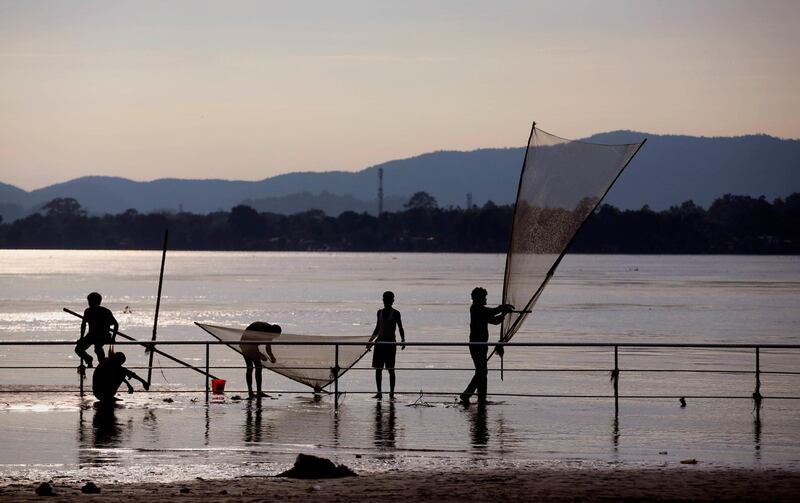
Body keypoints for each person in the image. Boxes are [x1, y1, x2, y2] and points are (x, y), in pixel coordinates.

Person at [459, 287, 513, 406]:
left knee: (482, 372)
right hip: (476, 345)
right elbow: (492, 312)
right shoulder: (476, 309)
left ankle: (481, 398)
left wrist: (503, 313)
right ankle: (467, 394)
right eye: (484, 298)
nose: (485, 300)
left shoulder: (481, 311)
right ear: (478, 299)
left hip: (482, 345)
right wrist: (502, 308)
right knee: (481, 372)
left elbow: (494, 320)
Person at [368, 291, 405, 400]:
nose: (386, 302)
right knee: (378, 369)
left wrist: (403, 340)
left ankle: (391, 393)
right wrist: (370, 342)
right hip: (379, 343)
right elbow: (377, 328)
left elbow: (400, 327)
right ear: (383, 300)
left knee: (390, 369)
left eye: (388, 300)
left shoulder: (396, 313)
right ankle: (379, 392)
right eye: (385, 299)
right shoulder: (379, 312)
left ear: (392, 301)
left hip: (390, 343)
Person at [75, 292, 119, 368]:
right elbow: (83, 325)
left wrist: (113, 338)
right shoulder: (88, 311)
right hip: (91, 335)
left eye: (90, 301)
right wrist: (82, 337)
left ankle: (102, 365)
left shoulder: (105, 311)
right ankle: (88, 359)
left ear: (96, 302)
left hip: (103, 335)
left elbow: (115, 324)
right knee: (78, 349)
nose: (89, 303)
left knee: (98, 349)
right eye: (88, 301)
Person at [241, 321, 280, 399]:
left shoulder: (270, 332)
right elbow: (252, 343)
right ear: (272, 332)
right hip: (245, 345)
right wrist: (260, 354)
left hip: (252, 346)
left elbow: (268, 346)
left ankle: (259, 392)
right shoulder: (261, 328)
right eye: (274, 335)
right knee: (250, 367)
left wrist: (271, 356)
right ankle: (251, 392)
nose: (273, 337)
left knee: (258, 368)